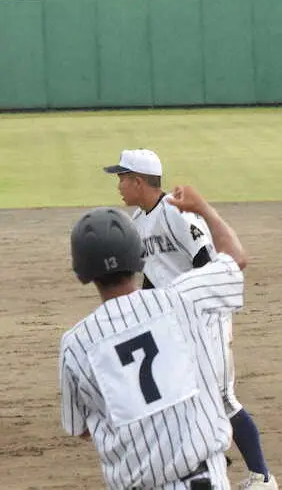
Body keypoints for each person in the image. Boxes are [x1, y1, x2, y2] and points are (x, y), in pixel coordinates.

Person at [104, 150, 278, 490]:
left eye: (122, 178)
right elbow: (154, 276)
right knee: (180, 392)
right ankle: (212, 454)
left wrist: (192, 305)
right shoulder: (140, 221)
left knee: (222, 398)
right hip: (174, 323)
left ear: (139, 181)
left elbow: (209, 260)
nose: (119, 185)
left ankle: (262, 476)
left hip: (206, 317)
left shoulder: (176, 213)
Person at [60, 186, 248, 490]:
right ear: (138, 256)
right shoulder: (182, 300)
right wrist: (203, 208)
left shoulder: (76, 344)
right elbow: (235, 258)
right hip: (203, 481)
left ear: (82, 271)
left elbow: (81, 427)